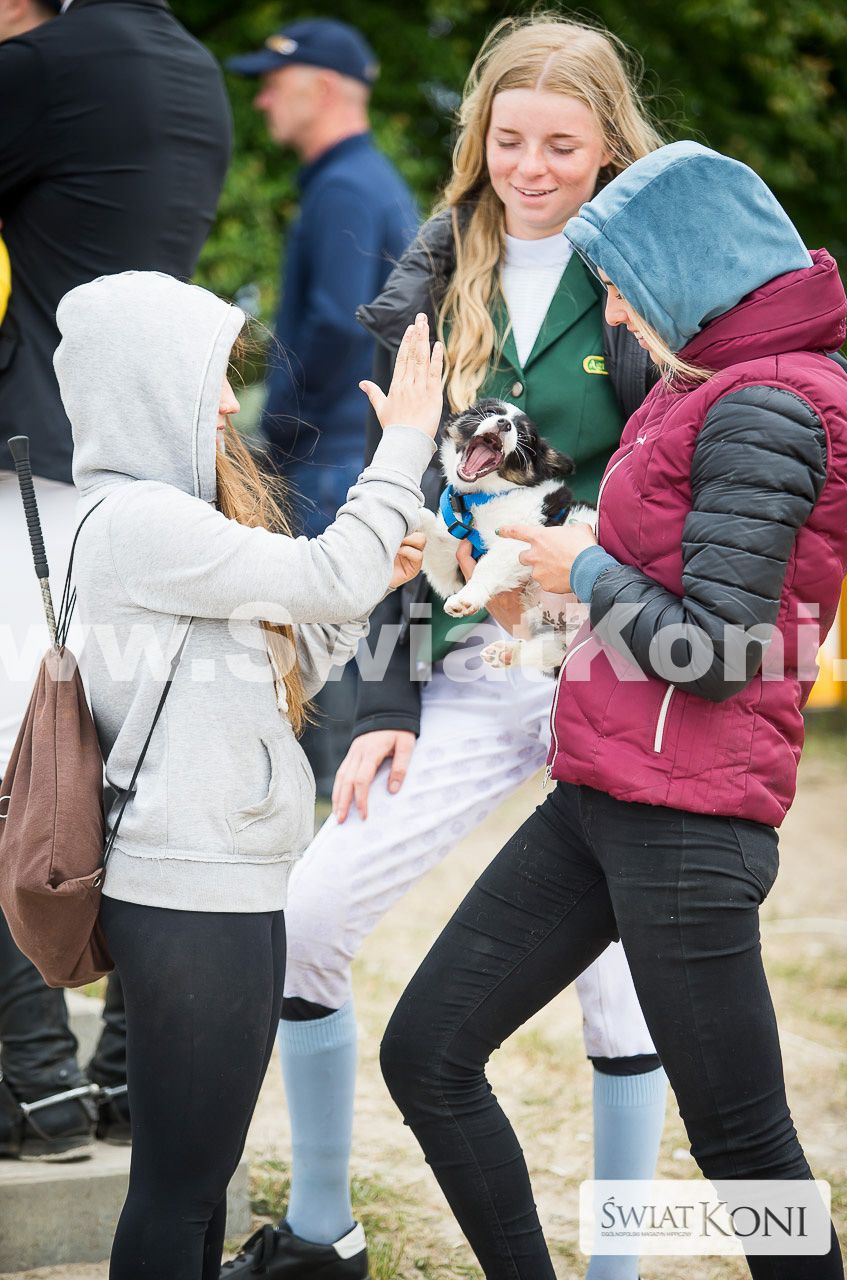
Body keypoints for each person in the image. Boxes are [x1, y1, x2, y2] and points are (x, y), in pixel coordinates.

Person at [224, 18, 666, 1280]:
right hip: (470, 660)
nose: (530, 167)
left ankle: (616, 1268)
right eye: (508, 138)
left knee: (620, 984)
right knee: (309, 908)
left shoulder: (653, 267)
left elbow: (690, 468)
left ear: (608, 144)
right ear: (479, 137)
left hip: (616, 665)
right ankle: (323, 1230)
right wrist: (378, 702)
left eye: (562, 144)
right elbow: (396, 500)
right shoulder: (434, 270)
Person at [380, 142, 847, 1279]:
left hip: (686, 821)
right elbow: (655, 584)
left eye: (624, 287)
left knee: (744, 1151)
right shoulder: (706, 388)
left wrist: (580, 568)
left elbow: (721, 649)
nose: (617, 315)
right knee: (427, 1053)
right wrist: (513, 571)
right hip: (602, 788)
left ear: (690, 268)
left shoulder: (770, 405)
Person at [58, 271, 441, 1279]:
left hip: (223, 878)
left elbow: (294, 656)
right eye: (210, 378)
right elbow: (323, 572)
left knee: (198, 1176)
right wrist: (406, 442)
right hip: (189, 887)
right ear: (149, 383)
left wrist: (373, 584)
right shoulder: (139, 520)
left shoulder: (169, 522)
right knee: (181, 1187)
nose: (231, 404)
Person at [0, 0, 231, 1158]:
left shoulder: (44, 64)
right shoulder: (191, 67)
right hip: (157, 456)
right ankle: (129, 1077)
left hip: (42, 463)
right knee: (131, 767)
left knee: (17, 765)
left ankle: (36, 1089)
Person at [226, 19, 420, 796]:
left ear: (327, 89)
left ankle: (318, 831)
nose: (263, 100)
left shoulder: (344, 187)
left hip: (329, 458)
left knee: (319, 668)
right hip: (351, 452)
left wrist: (276, 439)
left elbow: (339, 325)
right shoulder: (366, 181)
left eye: (275, 83)